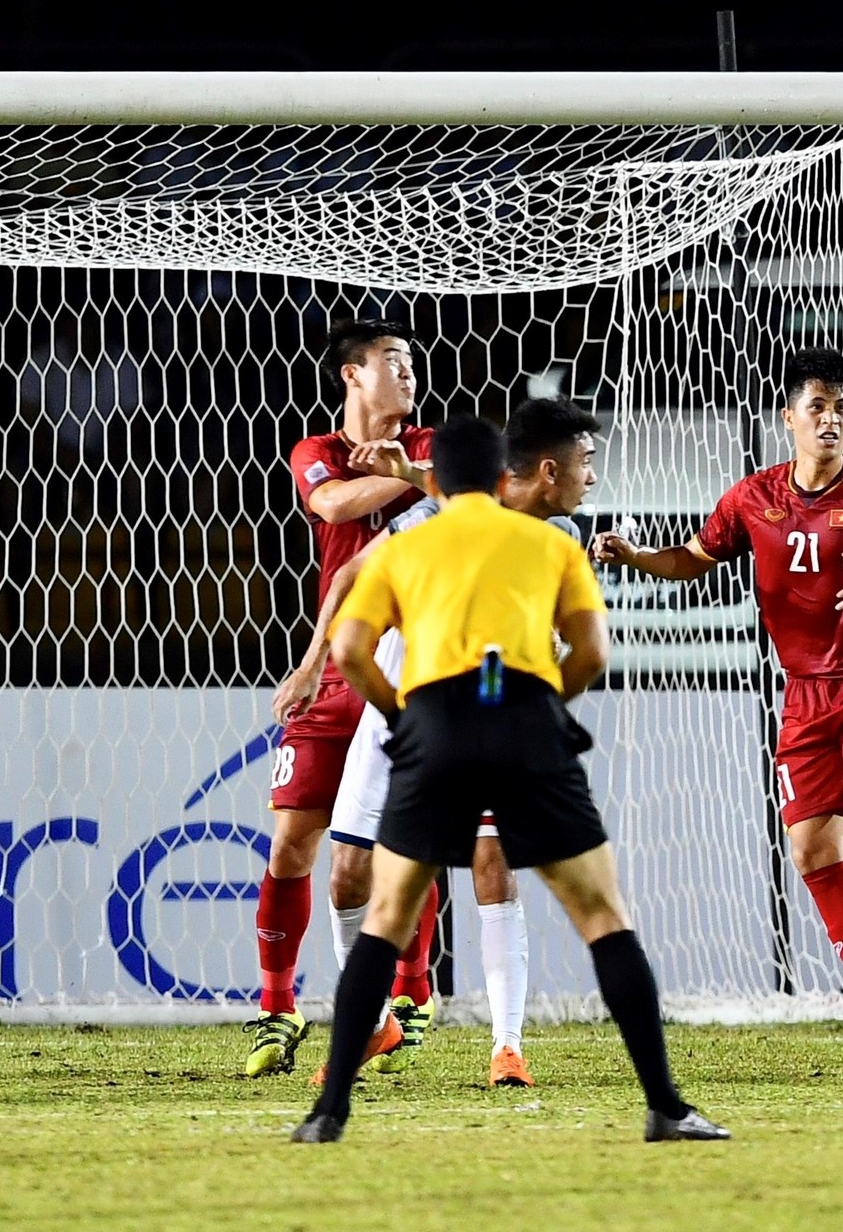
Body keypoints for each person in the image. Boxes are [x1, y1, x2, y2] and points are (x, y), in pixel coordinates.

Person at [292, 414, 724, 1144]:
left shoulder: (407, 545)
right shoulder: (550, 544)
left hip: (434, 728)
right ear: (504, 476)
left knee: (387, 917)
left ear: (435, 480)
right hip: (525, 726)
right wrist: (545, 705)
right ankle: (664, 1106)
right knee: (602, 915)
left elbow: (349, 648)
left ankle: (328, 1110)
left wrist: (401, 715)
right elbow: (591, 651)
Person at [594, 348, 843, 1063]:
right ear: (788, 418)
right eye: (816, 407)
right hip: (804, 695)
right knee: (811, 848)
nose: (831, 419)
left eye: (842, 408)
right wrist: (635, 556)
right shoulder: (751, 498)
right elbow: (694, 559)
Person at [283, 397, 599, 1088]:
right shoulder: (433, 513)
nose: (592, 478)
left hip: (482, 713)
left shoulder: (560, 535)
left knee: (491, 862)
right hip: (400, 706)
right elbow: (351, 574)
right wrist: (314, 665)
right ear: (541, 471)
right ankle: (371, 1024)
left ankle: (507, 1046)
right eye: (586, 463)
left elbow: (569, 634)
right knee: (346, 871)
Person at [245, 320, 435, 1078]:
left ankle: (411, 994)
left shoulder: (431, 442)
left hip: (414, 665)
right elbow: (333, 507)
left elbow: (468, 488)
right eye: (392, 361)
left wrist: (423, 469)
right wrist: (423, 479)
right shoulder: (316, 451)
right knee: (292, 840)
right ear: (352, 375)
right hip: (335, 667)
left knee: (403, 840)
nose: (408, 372)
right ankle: (277, 1006)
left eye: (411, 361)